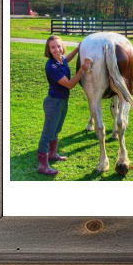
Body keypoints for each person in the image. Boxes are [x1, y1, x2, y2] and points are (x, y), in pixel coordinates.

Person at [37, 35, 89, 175]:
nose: (57, 49)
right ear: (48, 49)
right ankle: (43, 165)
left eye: (59, 46)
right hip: (53, 103)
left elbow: (68, 58)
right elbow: (70, 84)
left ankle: (53, 154)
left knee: (56, 129)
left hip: (62, 101)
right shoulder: (52, 66)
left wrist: (78, 48)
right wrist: (81, 70)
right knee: (48, 134)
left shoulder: (61, 60)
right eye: (53, 47)